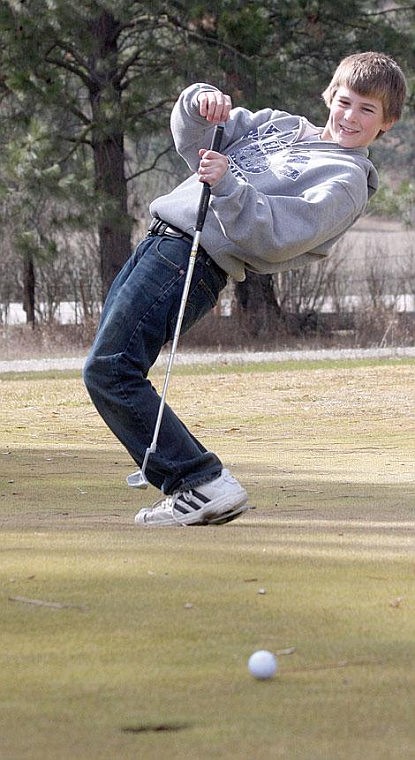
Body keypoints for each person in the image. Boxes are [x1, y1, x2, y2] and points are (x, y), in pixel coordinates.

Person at [83, 51, 407, 527]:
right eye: (346, 101)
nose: (350, 116)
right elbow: (196, 139)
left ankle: (200, 481)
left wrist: (230, 186)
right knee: (110, 367)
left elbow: (278, 236)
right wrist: (201, 103)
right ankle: (198, 484)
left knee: (111, 370)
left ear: (387, 123)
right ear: (330, 97)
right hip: (160, 238)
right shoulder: (282, 124)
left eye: (367, 110)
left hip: (192, 260)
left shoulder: (347, 180)